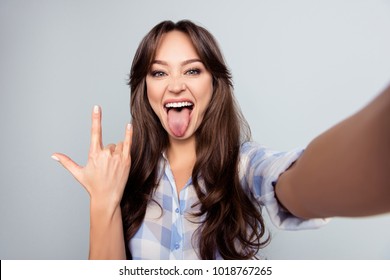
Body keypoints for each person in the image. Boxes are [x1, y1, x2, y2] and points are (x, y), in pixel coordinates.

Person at [52, 20, 390, 260]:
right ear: (145, 89)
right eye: (159, 72)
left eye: (192, 70)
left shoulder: (242, 165)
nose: (175, 85)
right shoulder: (123, 171)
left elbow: (290, 180)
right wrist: (104, 198)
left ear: (215, 85)